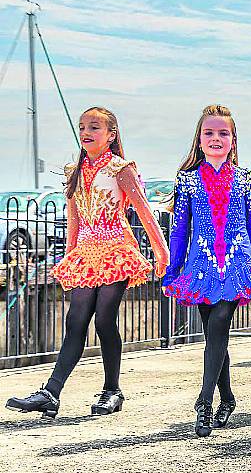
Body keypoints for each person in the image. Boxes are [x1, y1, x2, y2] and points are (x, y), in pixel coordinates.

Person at [6, 107, 169, 419]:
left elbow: (145, 212)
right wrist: (70, 257)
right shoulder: (73, 171)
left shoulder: (121, 168)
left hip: (116, 250)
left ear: (111, 135)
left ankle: (112, 391)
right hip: (86, 253)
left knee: (104, 320)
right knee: (75, 322)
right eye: (82, 127)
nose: (86, 132)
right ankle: (50, 394)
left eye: (94, 127)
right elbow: (74, 221)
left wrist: (162, 254)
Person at [162, 105, 251, 437]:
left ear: (233, 139)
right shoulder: (186, 180)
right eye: (209, 133)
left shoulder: (243, 179)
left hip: (236, 266)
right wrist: (173, 268)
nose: (216, 139)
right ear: (199, 139)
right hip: (200, 268)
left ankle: (204, 402)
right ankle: (227, 397)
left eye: (222, 133)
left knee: (219, 327)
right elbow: (180, 229)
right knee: (214, 335)